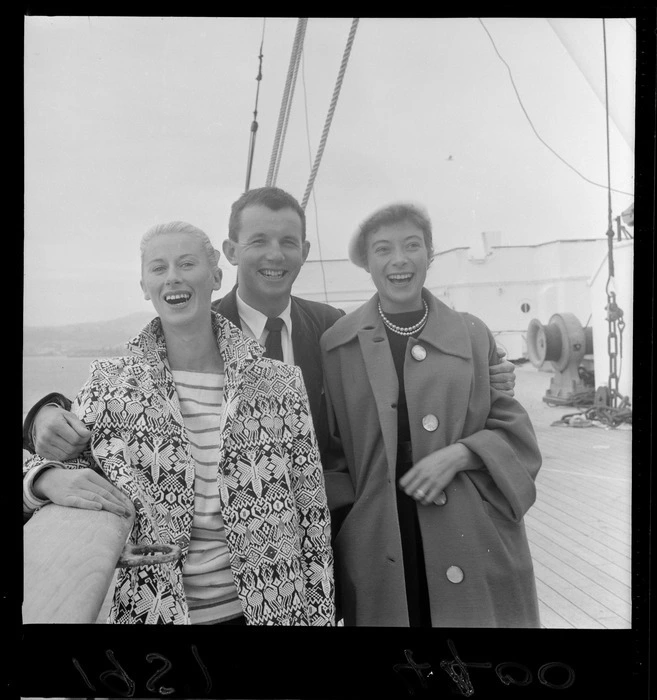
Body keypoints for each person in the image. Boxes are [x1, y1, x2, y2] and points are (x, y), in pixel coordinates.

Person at [24, 187, 517, 466]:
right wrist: (43, 415)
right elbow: (122, 391)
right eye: (259, 240)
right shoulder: (196, 325)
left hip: (325, 536)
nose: (275, 255)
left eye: (289, 242)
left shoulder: (334, 329)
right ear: (232, 251)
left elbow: (399, 395)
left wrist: (482, 376)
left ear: (305, 252)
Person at [23, 220, 335, 625]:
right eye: (158, 268)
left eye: (187, 264)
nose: (173, 278)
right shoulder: (111, 384)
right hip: (157, 614)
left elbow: (312, 516)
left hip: (274, 612)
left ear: (216, 277)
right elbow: (55, 458)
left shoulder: (280, 384)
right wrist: (45, 478)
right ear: (144, 286)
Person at [320, 202, 542, 627]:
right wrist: (354, 524)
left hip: (471, 528)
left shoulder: (472, 333)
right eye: (383, 249)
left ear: (430, 254)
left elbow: (516, 434)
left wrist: (462, 453)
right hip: (382, 534)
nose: (399, 259)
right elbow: (330, 454)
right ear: (366, 262)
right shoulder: (337, 344)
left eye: (412, 246)